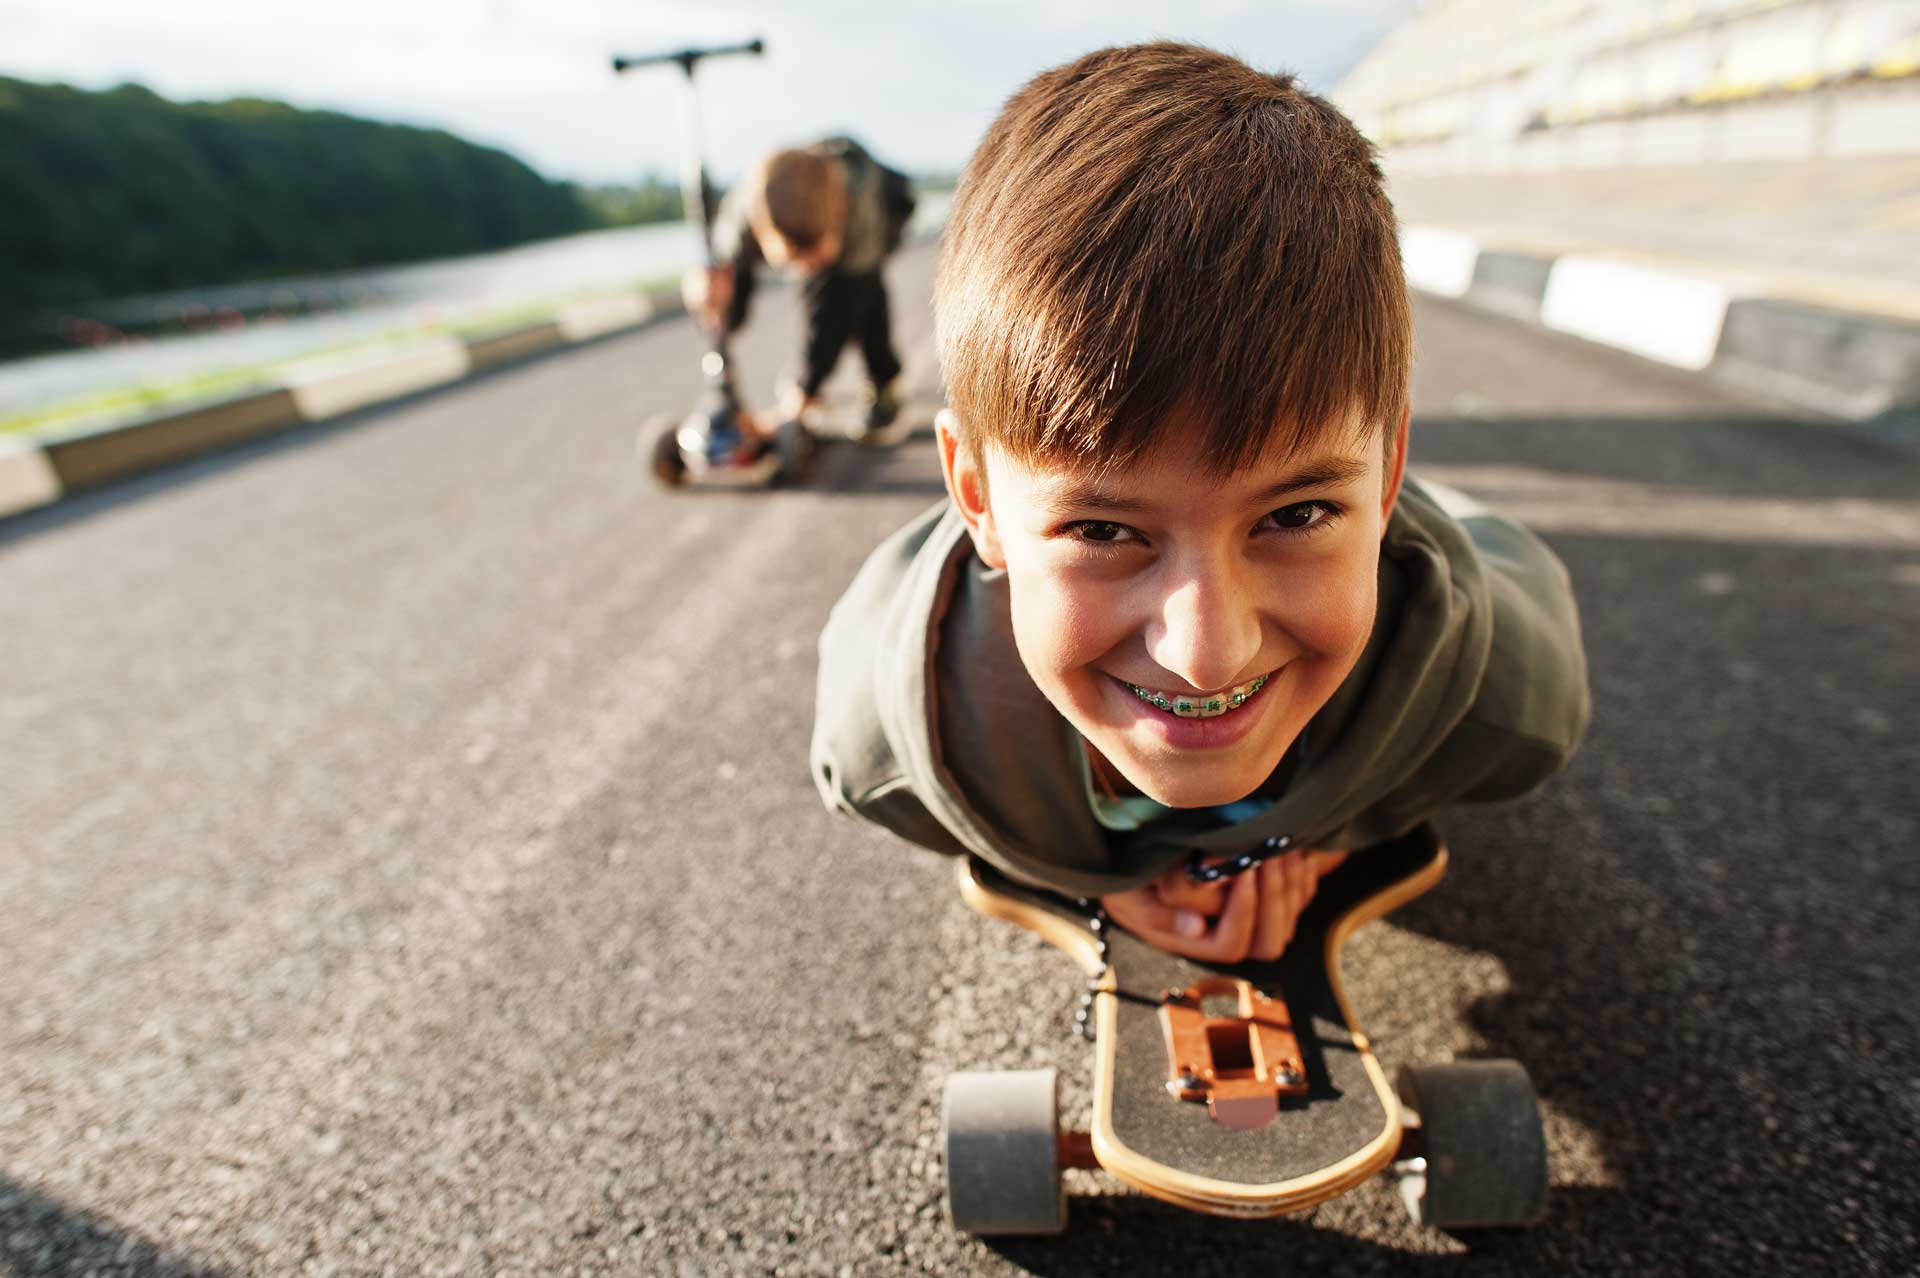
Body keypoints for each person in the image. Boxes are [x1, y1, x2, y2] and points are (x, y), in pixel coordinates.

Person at [809, 44, 1590, 963]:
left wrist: (1314, 840)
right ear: (973, 497)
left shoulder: (1509, 711)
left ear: (1386, 481)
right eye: (1102, 530)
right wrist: (1084, 874)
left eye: (1294, 515)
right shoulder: (888, 754)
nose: (1206, 651)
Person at [683, 137, 917, 443]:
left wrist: (803, 389)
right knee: (744, 290)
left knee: (861, 296)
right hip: (806, 221)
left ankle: (884, 383)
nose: (804, 269)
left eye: (813, 257)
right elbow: (731, 290)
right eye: (795, 259)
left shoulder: (860, 214)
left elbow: (833, 314)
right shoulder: (743, 215)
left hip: (885, 213)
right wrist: (711, 305)